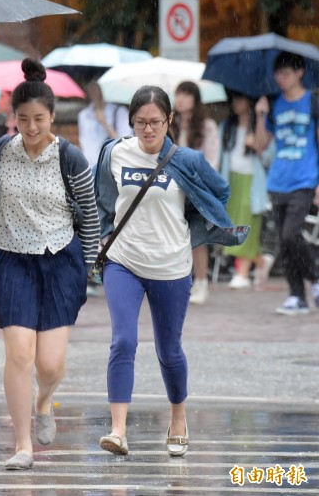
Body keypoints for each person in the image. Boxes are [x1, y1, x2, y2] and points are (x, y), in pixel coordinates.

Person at [95, 85, 247, 458]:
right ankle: (118, 430)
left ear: (169, 121)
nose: (148, 130)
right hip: (124, 262)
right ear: (131, 121)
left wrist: (192, 226)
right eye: (141, 123)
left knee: (169, 350)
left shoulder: (187, 160)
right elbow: (101, 197)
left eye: (155, 122)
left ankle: (178, 416)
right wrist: (103, 234)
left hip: (171, 266)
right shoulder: (114, 152)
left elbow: (220, 193)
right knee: (124, 341)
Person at [0, 58, 99, 470]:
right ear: (13, 117)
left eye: (39, 119)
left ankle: (45, 401)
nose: (30, 128)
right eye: (23, 119)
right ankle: (22, 444)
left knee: (50, 365)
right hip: (11, 260)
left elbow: (91, 214)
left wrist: (92, 264)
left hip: (61, 260)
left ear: (52, 117)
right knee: (20, 355)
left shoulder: (71, 158)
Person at [255, 51, 319, 315]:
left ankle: (315, 278)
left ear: (300, 72)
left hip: (305, 179)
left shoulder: (313, 102)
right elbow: (261, 145)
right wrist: (260, 115)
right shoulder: (273, 104)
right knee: (284, 241)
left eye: (287, 73)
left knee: (291, 234)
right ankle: (297, 296)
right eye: (278, 74)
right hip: (278, 180)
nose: (281, 78)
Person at [174, 81, 220, 304]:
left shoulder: (207, 125)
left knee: (197, 237)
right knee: (176, 236)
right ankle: (185, 281)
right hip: (173, 188)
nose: (180, 99)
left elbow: (212, 159)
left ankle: (202, 281)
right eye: (178, 94)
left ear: (195, 98)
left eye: (186, 94)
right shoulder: (169, 124)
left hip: (198, 188)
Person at [219, 92, 270, 289]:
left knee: (247, 226)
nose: (236, 104)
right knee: (231, 228)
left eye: (240, 99)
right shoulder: (226, 127)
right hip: (230, 180)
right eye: (234, 99)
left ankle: (242, 274)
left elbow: (268, 157)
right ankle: (261, 262)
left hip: (253, 183)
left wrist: (257, 140)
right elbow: (219, 159)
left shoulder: (261, 125)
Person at [78, 78, 130, 170]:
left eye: (96, 86)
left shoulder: (119, 112)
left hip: (111, 167)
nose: (93, 90)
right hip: (89, 169)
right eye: (90, 86)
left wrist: (105, 123)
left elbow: (125, 143)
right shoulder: (84, 115)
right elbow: (84, 142)